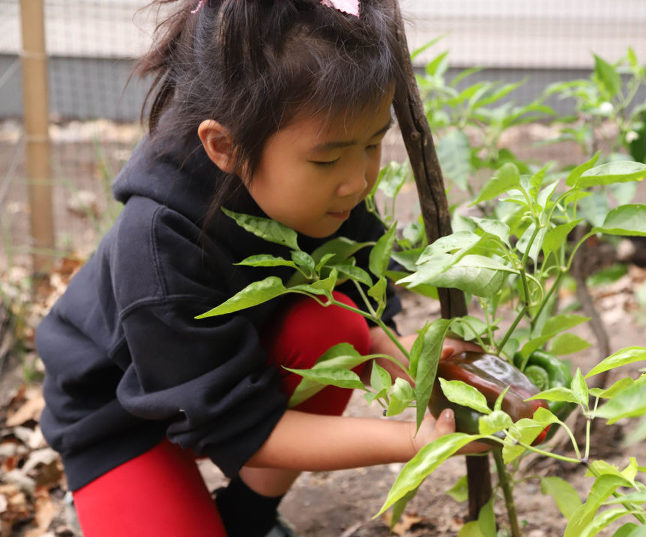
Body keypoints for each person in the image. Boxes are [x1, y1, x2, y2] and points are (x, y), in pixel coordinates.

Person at [35, 1, 479, 536]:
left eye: (373, 142)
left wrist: (426, 369)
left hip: (236, 374)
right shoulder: (159, 241)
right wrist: (416, 441)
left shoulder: (328, 192)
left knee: (338, 325)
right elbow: (242, 427)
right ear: (224, 145)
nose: (358, 180)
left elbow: (367, 324)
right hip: (118, 418)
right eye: (327, 157)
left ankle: (247, 517)